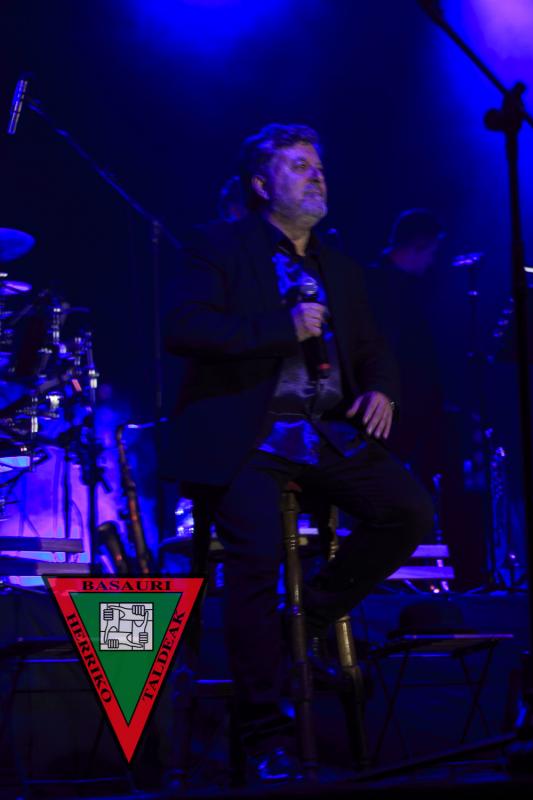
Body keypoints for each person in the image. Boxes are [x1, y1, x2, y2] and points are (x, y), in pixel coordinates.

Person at [163, 123, 434, 781]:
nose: (317, 175)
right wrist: (277, 327)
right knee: (255, 559)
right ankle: (264, 731)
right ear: (261, 184)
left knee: (408, 512)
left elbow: (374, 346)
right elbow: (185, 326)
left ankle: (305, 619)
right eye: (298, 166)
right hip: (250, 437)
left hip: (326, 432)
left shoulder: (339, 265)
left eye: (319, 165)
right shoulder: (219, 245)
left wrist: (382, 390)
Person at [365, 208, 449, 483]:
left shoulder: (407, 288)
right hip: (394, 406)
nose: (432, 261)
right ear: (418, 246)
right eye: (432, 252)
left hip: (408, 407)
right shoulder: (378, 288)